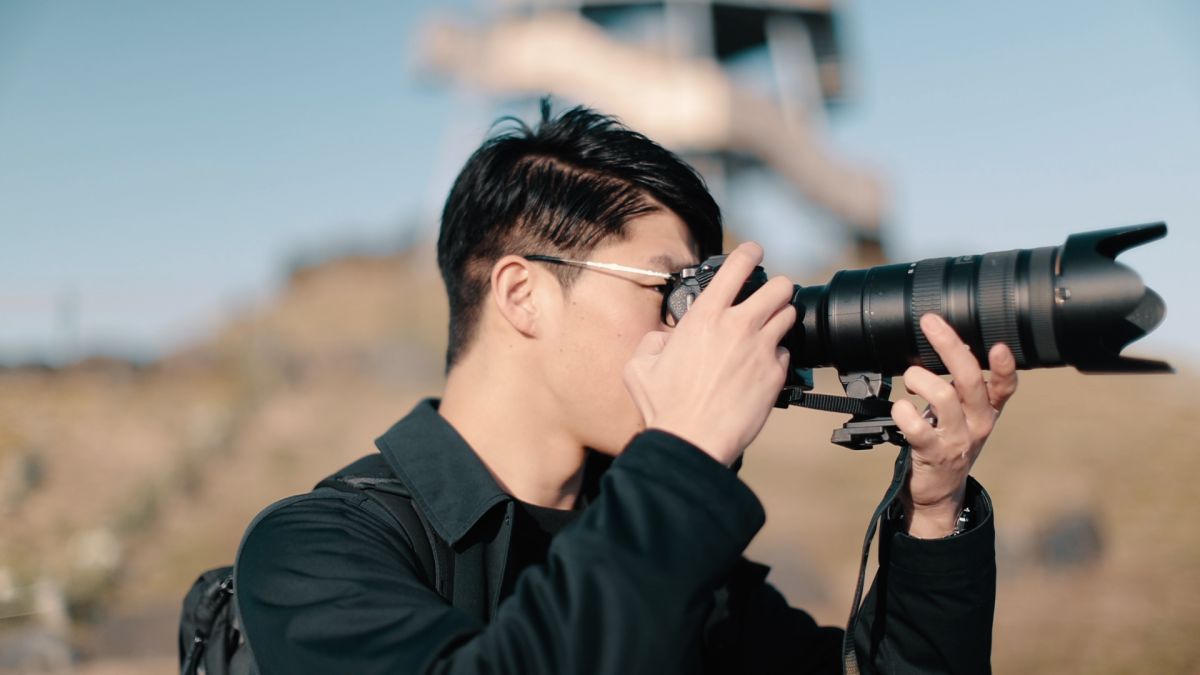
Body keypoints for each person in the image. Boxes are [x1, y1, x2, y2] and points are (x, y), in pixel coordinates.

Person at [234, 101, 1018, 674]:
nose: (699, 330)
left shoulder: (657, 536)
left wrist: (933, 510)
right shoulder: (313, 551)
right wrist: (681, 455)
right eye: (673, 291)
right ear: (522, 295)